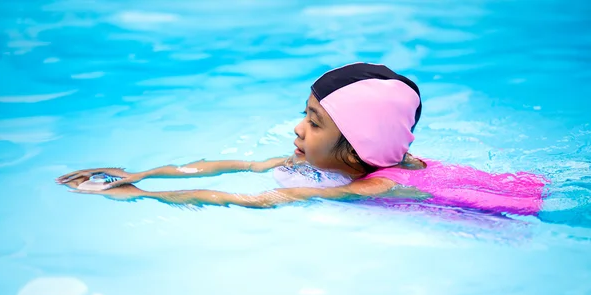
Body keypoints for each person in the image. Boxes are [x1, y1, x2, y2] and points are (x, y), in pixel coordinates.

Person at [56, 63, 548, 215]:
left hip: (508, 210)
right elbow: (230, 168)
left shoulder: (374, 185)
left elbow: (257, 199)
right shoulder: (347, 160)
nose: (297, 128)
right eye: (304, 115)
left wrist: (139, 197)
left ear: (354, 147)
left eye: (314, 122)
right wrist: (137, 173)